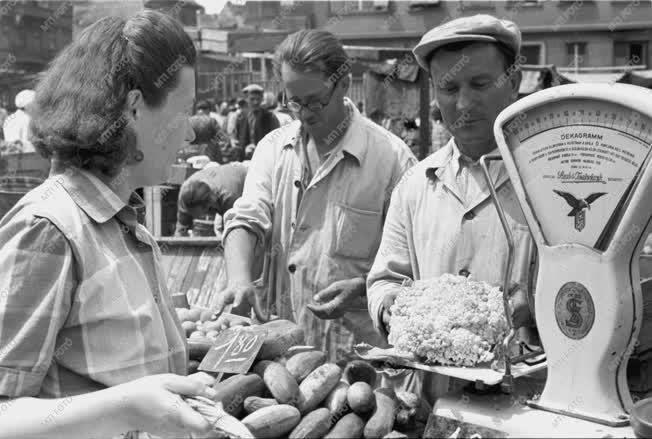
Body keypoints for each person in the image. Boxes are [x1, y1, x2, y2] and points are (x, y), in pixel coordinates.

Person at [0, 11, 219, 438]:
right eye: (184, 112)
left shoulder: (126, 225)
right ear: (135, 110)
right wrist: (126, 407)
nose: (189, 135)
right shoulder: (49, 230)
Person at [215, 29, 417, 362]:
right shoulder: (272, 149)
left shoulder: (391, 160)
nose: (305, 113)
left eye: (315, 101)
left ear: (343, 84)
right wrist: (239, 279)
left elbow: (414, 267)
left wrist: (365, 289)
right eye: (294, 101)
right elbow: (247, 216)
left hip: (358, 361)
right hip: (276, 352)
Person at [367, 14, 535, 406]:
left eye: (480, 84)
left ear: (513, 82)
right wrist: (393, 308)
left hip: (530, 407)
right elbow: (385, 279)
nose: (463, 103)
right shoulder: (416, 184)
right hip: (434, 405)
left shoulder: (546, 178)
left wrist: (536, 304)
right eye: (449, 87)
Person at [175, 162, 248, 237]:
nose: (194, 217)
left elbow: (234, 232)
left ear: (209, 204)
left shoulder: (229, 197)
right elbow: (181, 229)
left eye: (197, 215)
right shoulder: (185, 191)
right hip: (223, 181)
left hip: (246, 181)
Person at [234, 84, 280, 159]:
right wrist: (245, 148)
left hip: (265, 158)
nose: (255, 102)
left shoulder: (270, 117)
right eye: (252, 99)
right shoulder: (241, 118)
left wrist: (260, 149)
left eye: (258, 99)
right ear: (246, 99)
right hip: (247, 159)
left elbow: (276, 141)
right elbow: (239, 139)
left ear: (262, 99)